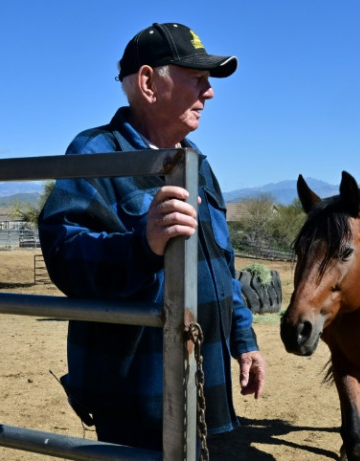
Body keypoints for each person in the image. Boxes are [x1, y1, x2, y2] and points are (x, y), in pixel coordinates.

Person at [38, 22, 266, 451]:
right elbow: (64, 253)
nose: (210, 92)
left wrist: (244, 340)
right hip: (136, 397)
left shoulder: (197, 163)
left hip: (209, 386)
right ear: (148, 82)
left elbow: (222, 262)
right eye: (197, 78)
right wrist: (142, 245)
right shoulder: (95, 155)